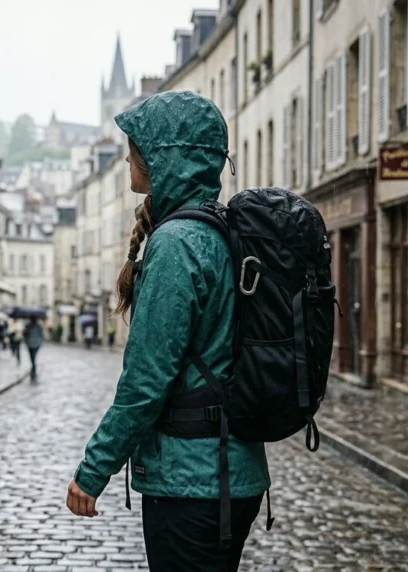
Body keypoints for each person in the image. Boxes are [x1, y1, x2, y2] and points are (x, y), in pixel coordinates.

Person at [65, 91, 269, 570]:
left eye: (138, 147)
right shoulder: (217, 229)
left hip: (192, 480)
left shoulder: (177, 244)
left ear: (165, 157)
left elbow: (145, 382)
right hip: (228, 472)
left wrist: (94, 471)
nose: (129, 158)